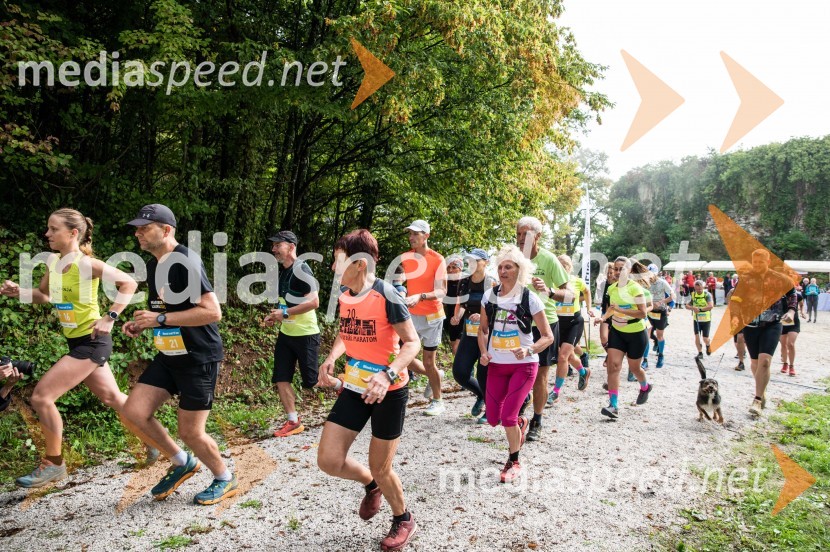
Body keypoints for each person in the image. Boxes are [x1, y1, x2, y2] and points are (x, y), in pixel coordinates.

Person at [0, 208, 158, 488]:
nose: (47, 234)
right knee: (112, 397)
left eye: (53, 229)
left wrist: (110, 317)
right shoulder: (53, 262)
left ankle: (54, 464)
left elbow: (129, 282)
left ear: (73, 233)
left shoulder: (87, 264)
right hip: (77, 341)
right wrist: (19, 292)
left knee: (41, 397)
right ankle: (157, 440)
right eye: (47, 228)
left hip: (92, 341)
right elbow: (44, 295)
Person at [121, 204, 236, 505]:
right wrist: (142, 322)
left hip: (198, 357)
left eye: (144, 228)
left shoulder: (185, 261)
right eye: (137, 228)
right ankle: (182, 461)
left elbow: (212, 312)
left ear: (166, 230)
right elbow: (164, 309)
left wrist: (159, 320)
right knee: (133, 412)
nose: (138, 233)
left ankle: (225, 477)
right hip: (169, 355)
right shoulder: (154, 264)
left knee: (191, 431)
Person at [316, 229, 420, 552]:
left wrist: (387, 375)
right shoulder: (347, 294)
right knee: (328, 460)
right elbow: (347, 331)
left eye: (338, 261)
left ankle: (403, 518)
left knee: (381, 465)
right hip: (355, 386)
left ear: (360, 263)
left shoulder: (387, 295)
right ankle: (370, 485)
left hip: (389, 391)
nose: (333, 268)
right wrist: (332, 357)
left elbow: (412, 342)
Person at [478, 245, 553, 483]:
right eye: (500, 266)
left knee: (507, 417)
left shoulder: (529, 298)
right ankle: (521, 424)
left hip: (524, 365)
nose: (502, 270)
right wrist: (483, 352)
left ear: (519, 270)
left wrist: (529, 348)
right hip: (497, 365)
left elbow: (547, 336)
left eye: (508, 266)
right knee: (492, 418)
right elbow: (482, 330)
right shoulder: (489, 296)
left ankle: (514, 462)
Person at [516, 217, 571, 443]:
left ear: (537, 237)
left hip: (544, 323)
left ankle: (537, 420)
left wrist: (548, 290)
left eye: (525, 234)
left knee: (540, 375)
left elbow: (569, 295)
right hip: (516, 322)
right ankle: (520, 407)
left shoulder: (548, 259)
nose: (520, 239)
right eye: (518, 234)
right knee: (516, 372)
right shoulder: (514, 257)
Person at [263, 231, 321, 438]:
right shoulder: (284, 271)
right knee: (281, 377)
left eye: (278, 245)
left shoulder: (302, 269)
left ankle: (343, 387)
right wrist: (275, 316)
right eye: (274, 246)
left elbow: (314, 302)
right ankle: (293, 420)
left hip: (306, 334)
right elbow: (285, 303)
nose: (274, 249)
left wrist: (284, 313)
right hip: (286, 334)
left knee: (313, 381)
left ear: (291, 246)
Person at [729, 249, 797, 417]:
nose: (758, 265)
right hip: (750, 326)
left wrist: (791, 311)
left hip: (772, 324)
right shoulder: (746, 279)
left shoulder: (779, 279)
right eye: (755, 262)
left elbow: (792, 295)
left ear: (768, 262)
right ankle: (762, 390)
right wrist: (736, 317)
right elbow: (736, 300)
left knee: (765, 361)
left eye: (761, 262)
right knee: (755, 363)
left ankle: (757, 400)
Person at [400, 220, 447, 416]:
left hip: (432, 316)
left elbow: (442, 290)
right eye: (410, 234)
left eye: (416, 234)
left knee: (428, 361)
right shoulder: (405, 257)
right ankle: (435, 375)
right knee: (405, 358)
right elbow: (401, 278)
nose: (411, 237)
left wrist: (420, 296)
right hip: (411, 314)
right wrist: (400, 289)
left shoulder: (438, 259)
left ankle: (438, 401)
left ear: (426, 236)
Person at [601, 257, 653, 419]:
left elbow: (643, 313)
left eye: (621, 269)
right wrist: (602, 319)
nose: (617, 272)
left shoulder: (635, 289)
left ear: (629, 270)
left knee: (635, 368)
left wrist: (622, 312)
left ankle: (645, 387)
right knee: (613, 366)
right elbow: (611, 308)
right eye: (615, 269)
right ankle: (613, 406)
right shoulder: (611, 289)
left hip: (636, 333)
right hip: (617, 331)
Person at [450, 249, 495, 423]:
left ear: (486, 262)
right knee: (460, 372)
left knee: (484, 374)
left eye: (477, 260)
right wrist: (458, 316)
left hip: (486, 334)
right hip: (469, 332)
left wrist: (484, 316)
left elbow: (498, 308)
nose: (473, 263)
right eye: (470, 260)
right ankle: (481, 395)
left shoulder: (492, 282)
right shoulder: (464, 281)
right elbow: (462, 304)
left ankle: (491, 409)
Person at [547, 255, 591, 406]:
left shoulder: (576, 281)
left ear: (570, 267)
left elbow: (587, 292)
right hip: (558, 323)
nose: (562, 267)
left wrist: (589, 308)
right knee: (570, 356)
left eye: (565, 264)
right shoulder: (552, 283)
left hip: (574, 322)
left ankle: (556, 392)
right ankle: (584, 372)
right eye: (559, 264)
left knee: (563, 356)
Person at [645, 264, 674, 369]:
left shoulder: (663, 282)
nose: (649, 276)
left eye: (651, 274)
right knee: (646, 335)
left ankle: (661, 355)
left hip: (660, 312)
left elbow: (672, 296)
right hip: (649, 312)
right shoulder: (646, 283)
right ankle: (645, 359)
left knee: (659, 335)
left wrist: (662, 302)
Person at [779, 281, 804, 377]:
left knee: (791, 344)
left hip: (793, 320)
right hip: (783, 320)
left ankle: (791, 366)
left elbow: (801, 304)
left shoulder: (797, 295)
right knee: (783, 344)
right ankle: (785, 363)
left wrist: (802, 312)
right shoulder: (779, 296)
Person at [443, 255, 465, 355]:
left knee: (457, 348)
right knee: (455, 350)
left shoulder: (465, 282)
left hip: (464, 319)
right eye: (448, 267)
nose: (450, 270)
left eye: (454, 267)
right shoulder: (445, 283)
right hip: (451, 320)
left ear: (460, 269)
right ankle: (461, 370)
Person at [687, 280, 715, 360]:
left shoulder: (707, 295)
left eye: (700, 289)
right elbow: (687, 305)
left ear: (703, 287)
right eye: (697, 289)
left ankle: (708, 345)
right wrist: (692, 308)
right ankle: (700, 353)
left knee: (705, 338)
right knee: (697, 337)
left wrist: (699, 309)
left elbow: (711, 306)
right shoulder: (693, 295)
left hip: (706, 319)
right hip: (696, 319)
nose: (699, 291)